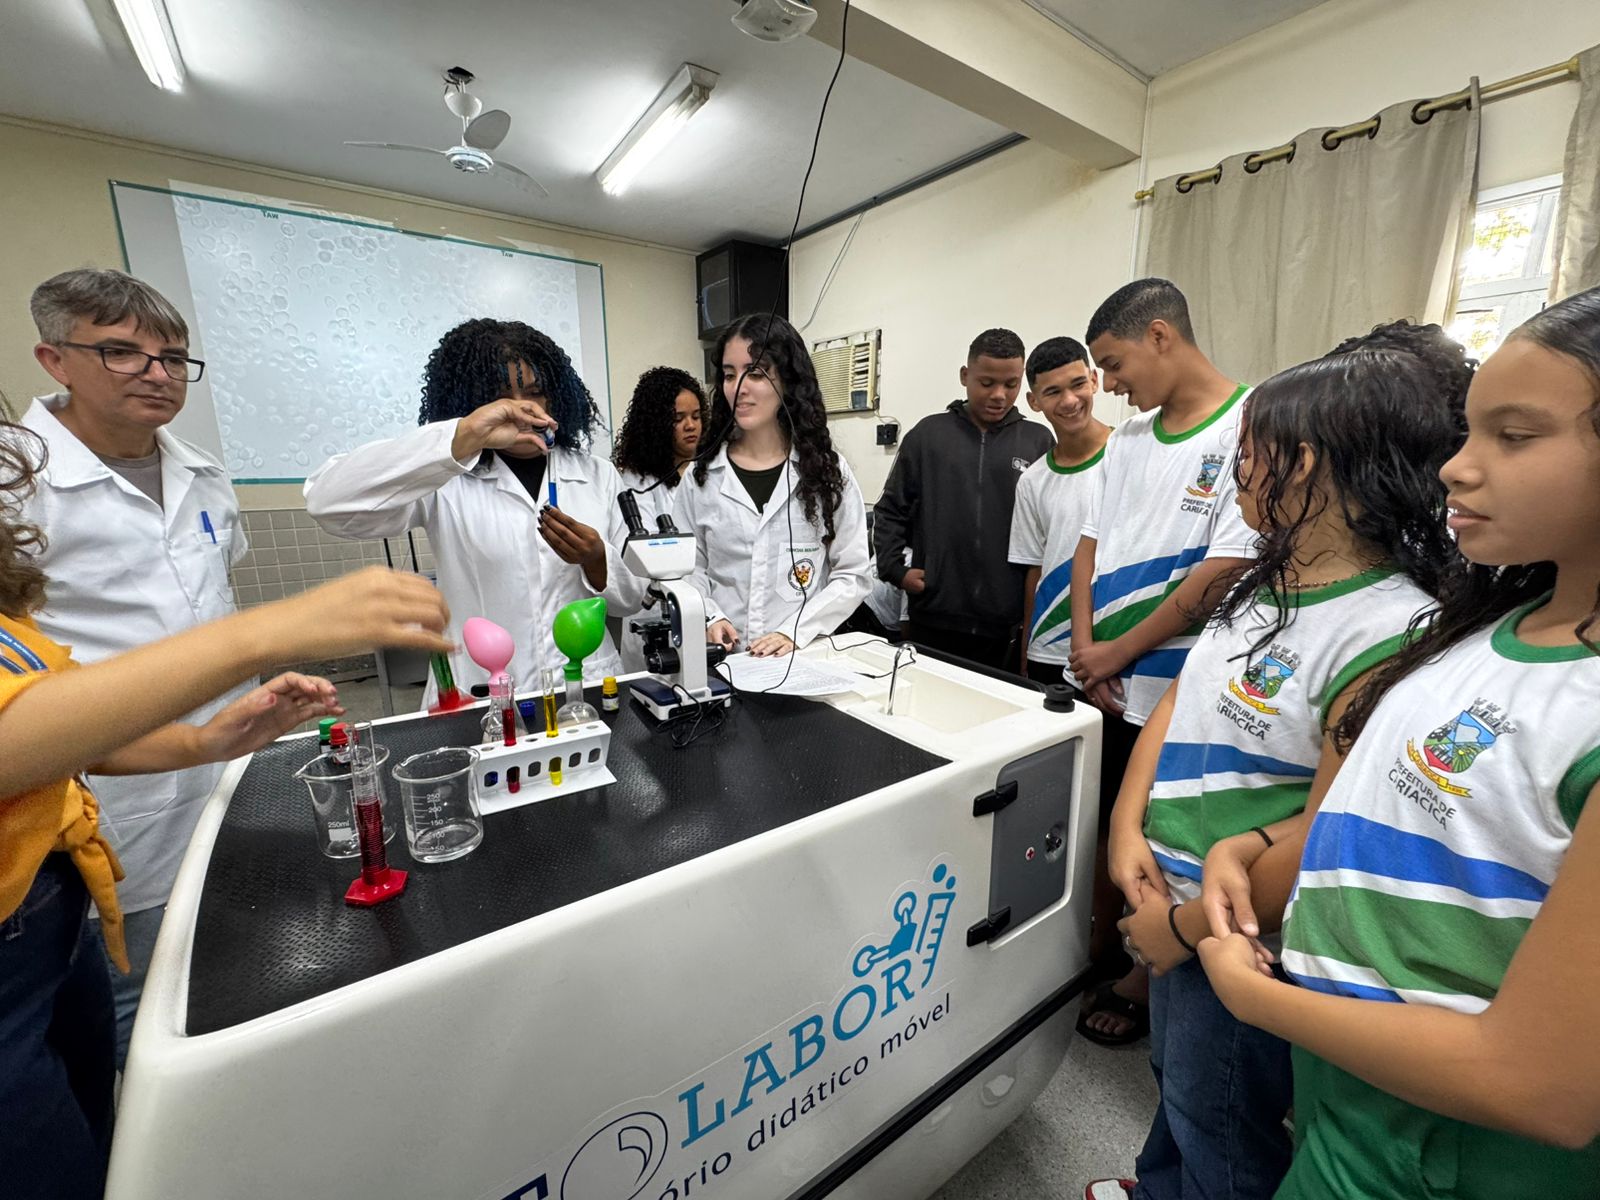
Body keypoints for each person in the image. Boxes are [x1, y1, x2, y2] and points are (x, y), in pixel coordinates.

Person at [1197, 288, 1600, 1199]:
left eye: (1515, 436)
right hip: (1357, 1103)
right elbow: (1384, 793)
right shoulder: (1496, 620)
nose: (1458, 468)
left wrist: (1258, 997)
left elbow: (1542, 1087)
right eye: (1466, 434)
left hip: (1453, 1151)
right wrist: (1252, 846)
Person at [1, 408, 452, 1198]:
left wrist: (203, 741)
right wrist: (265, 634)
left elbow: (44, 712)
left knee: (93, 1144)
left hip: (48, 905)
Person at [1086, 327, 1472, 1200]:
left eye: (1246, 452)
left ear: (1300, 464)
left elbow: (1327, 827)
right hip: (1177, 895)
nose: (1233, 473)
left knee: (1223, 1115)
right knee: (1181, 1086)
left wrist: (1181, 934)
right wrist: (1124, 824)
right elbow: (1182, 700)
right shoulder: (1265, 584)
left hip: (1242, 929)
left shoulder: (1386, 629)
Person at [19, 268, 255, 1066]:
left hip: (232, 755)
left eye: (172, 357)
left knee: (235, 952)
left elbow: (211, 598)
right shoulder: (17, 485)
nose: (157, 375)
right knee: (134, 1005)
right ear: (56, 360)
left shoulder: (204, 473)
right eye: (123, 353)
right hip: (111, 783)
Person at [1070, 279, 1257, 1044]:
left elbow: (1224, 569)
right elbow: (1087, 548)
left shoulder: (1250, 424)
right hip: (1103, 683)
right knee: (1103, 835)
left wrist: (1118, 648)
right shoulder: (1129, 443)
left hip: (1178, 687)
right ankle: (1108, 957)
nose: (1110, 387)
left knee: (1165, 841)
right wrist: (1088, 653)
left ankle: (1150, 979)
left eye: (1112, 366)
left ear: (1158, 335)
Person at [305, 318, 642, 691]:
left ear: (556, 395)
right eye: (501, 397)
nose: (521, 409)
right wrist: (461, 438)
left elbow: (631, 599)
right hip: (485, 694)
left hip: (586, 686)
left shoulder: (597, 475)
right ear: (474, 403)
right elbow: (327, 503)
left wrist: (597, 560)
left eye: (535, 392)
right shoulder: (445, 479)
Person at [673, 313, 871, 657]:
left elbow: (852, 574)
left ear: (788, 380)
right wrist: (709, 616)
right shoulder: (702, 477)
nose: (739, 387)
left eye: (757, 372)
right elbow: (689, 567)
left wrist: (796, 630)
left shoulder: (827, 472)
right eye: (730, 374)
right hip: (723, 659)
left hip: (803, 658)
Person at [873, 328, 1054, 671]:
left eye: (1011, 384)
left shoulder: (1038, 441)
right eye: (987, 383)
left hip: (1006, 625)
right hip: (934, 618)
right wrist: (896, 570)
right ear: (965, 376)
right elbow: (890, 510)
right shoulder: (928, 435)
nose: (1000, 395)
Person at [1008, 337, 1110, 684]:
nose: (1069, 401)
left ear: (1094, 380)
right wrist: (1026, 651)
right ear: (1033, 401)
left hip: (1113, 642)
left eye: (1078, 384)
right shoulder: (1033, 480)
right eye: (1052, 392)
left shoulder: (1129, 452)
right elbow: (1034, 570)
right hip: (1048, 650)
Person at [612, 366, 708, 669]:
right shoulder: (634, 481)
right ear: (655, 424)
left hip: (704, 608)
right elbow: (645, 557)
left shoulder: (710, 472)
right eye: (678, 419)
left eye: (696, 416)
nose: (690, 426)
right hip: (651, 616)